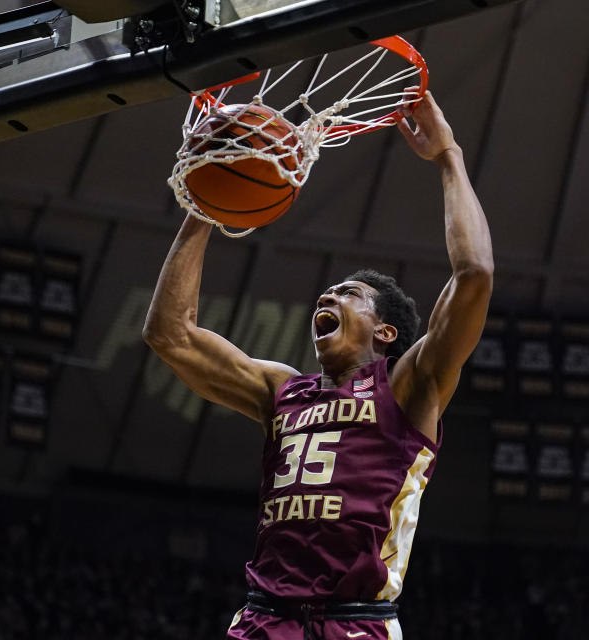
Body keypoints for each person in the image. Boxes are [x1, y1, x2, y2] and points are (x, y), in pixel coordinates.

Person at [143, 89, 493, 640]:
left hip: (355, 625)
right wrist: (207, 201)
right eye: (326, 293)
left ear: (385, 331)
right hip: (263, 621)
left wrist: (450, 157)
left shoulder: (407, 388)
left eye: (348, 293)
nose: (326, 297)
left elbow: (473, 275)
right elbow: (170, 333)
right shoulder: (280, 391)